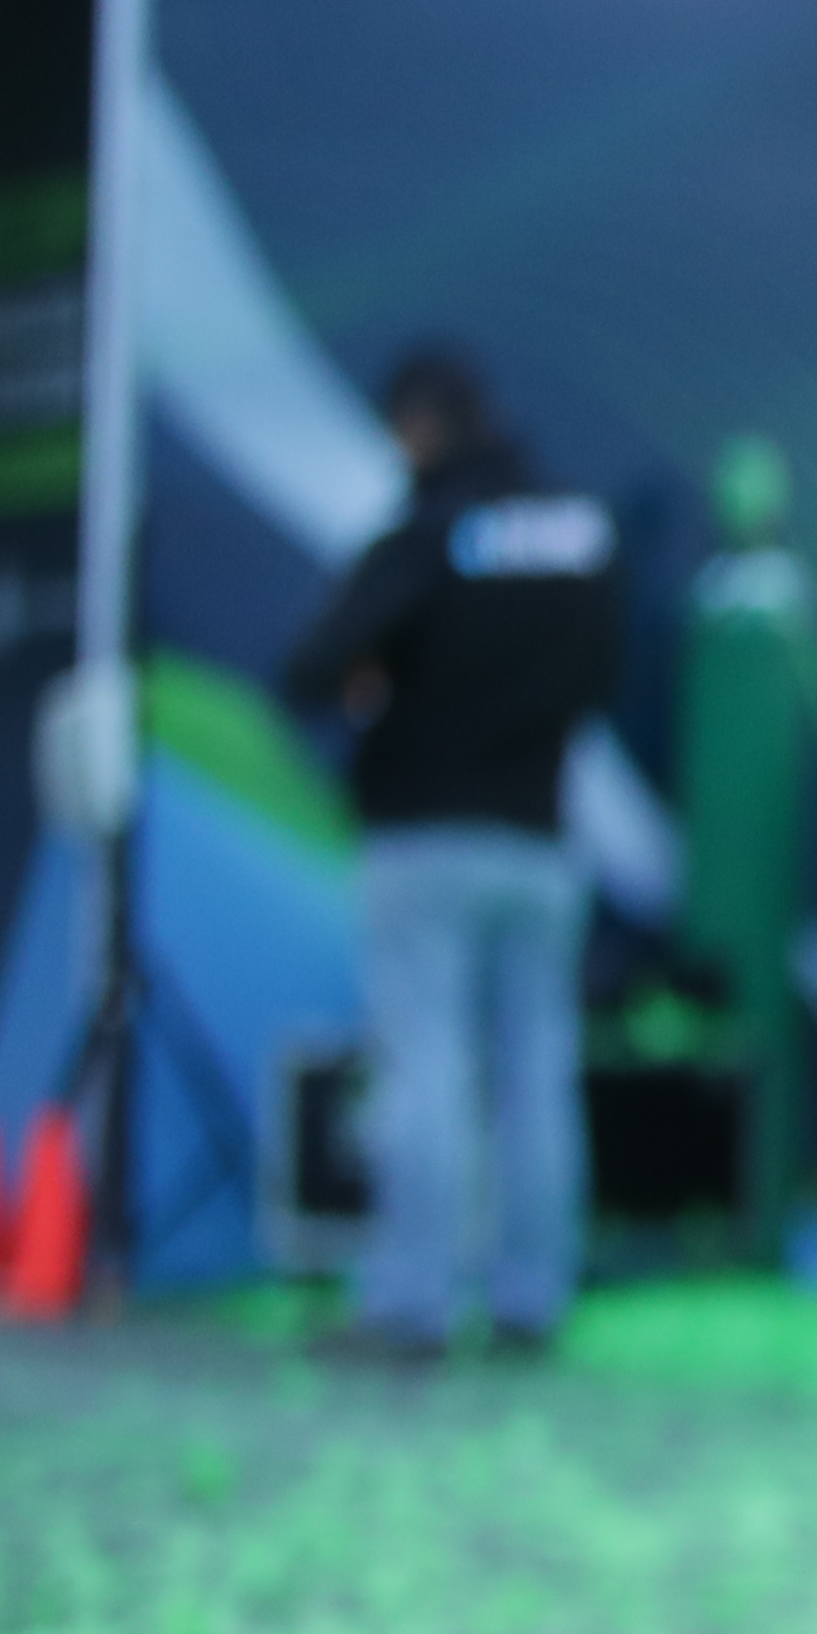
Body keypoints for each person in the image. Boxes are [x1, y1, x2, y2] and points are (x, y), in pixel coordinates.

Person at [277, 343, 626, 1363]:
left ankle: (412, 1304)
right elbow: (607, 675)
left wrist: (380, 689)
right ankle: (531, 1298)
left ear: (417, 426)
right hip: (541, 838)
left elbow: (313, 664)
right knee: (539, 1074)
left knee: (424, 1067)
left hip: (426, 835)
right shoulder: (581, 532)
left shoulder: (427, 531)